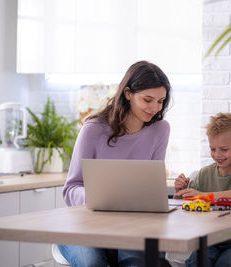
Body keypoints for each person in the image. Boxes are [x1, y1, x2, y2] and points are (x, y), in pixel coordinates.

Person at [58, 61, 171, 267]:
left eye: (160, 101)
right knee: (93, 264)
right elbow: (71, 189)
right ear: (128, 93)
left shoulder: (160, 130)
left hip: (132, 227)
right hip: (84, 226)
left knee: (137, 262)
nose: (155, 108)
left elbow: (151, 185)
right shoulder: (93, 129)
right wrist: (104, 200)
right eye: (148, 100)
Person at [174, 112, 231, 267]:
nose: (217, 154)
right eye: (212, 149)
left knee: (227, 263)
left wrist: (204, 195)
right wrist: (181, 192)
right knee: (196, 262)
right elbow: (186, 206)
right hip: (210, 240)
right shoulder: (204, 173)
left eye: (224, 149)